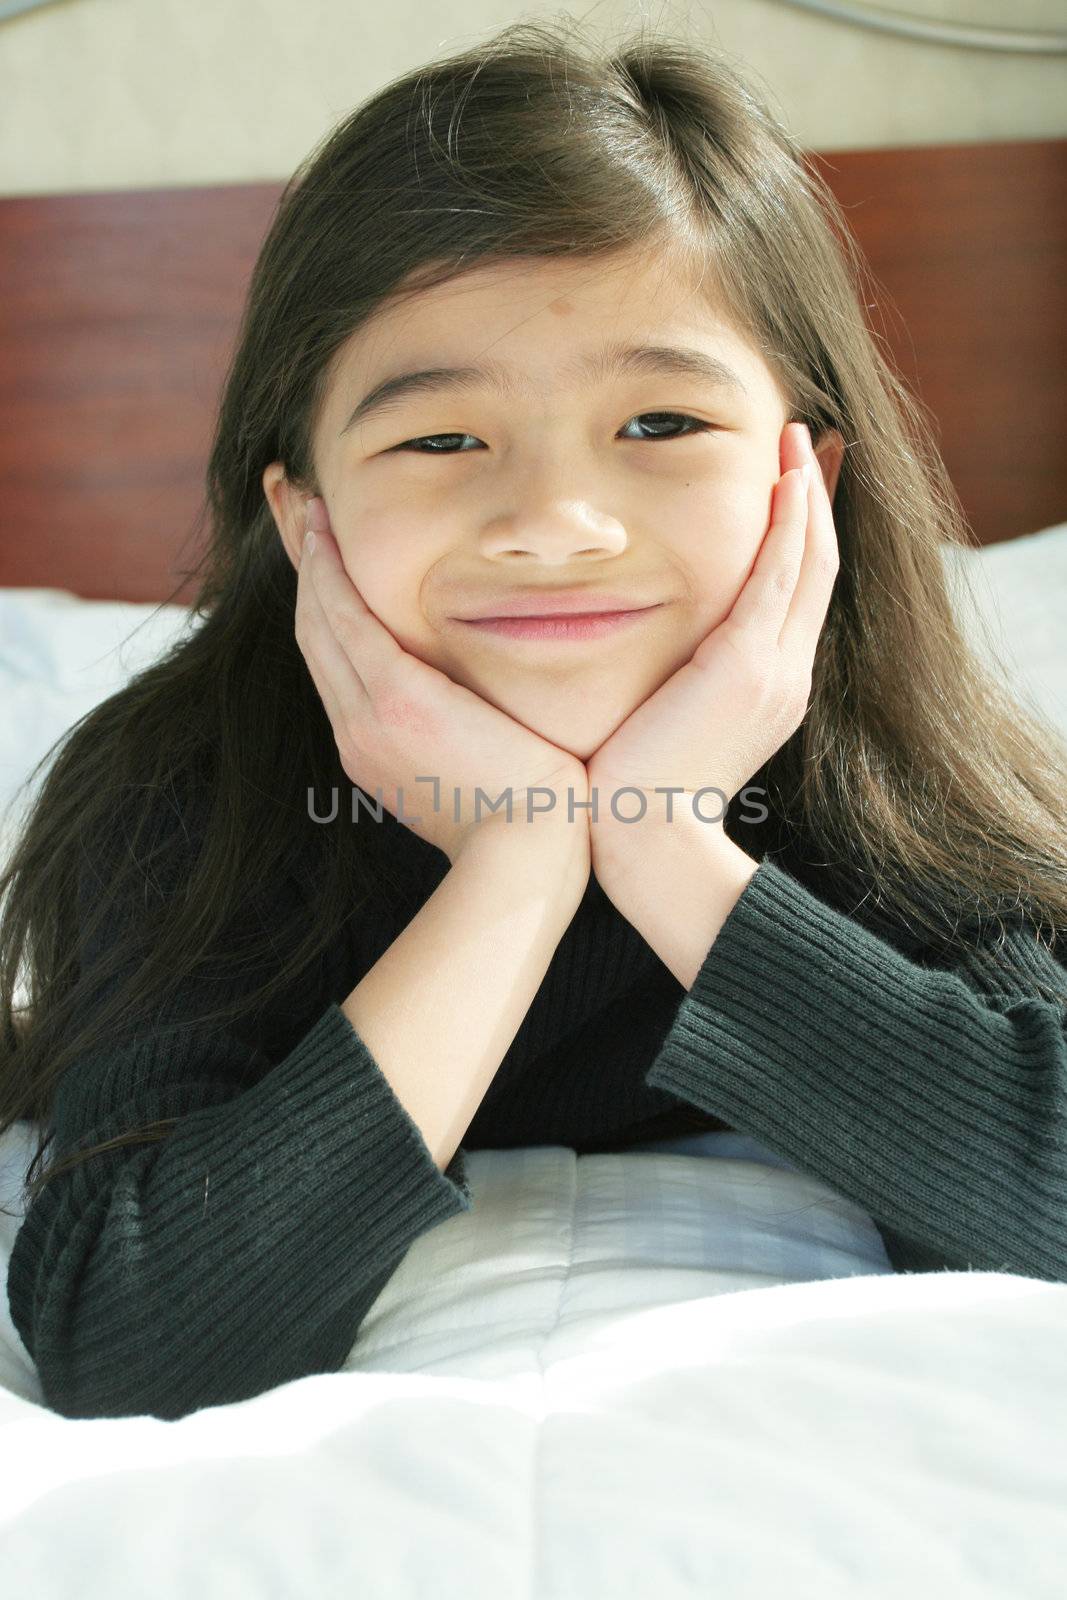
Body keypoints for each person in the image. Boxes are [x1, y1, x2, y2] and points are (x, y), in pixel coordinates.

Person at [1, 17, 1065, 1424]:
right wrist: (516, 866)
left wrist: (664, 842)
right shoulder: (188, 789)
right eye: (441, 440)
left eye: (663, 425)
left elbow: (1040, 1210)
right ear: (300, 512)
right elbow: (133, 1345)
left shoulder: (874, 760)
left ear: (805, 481)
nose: (556, 528)